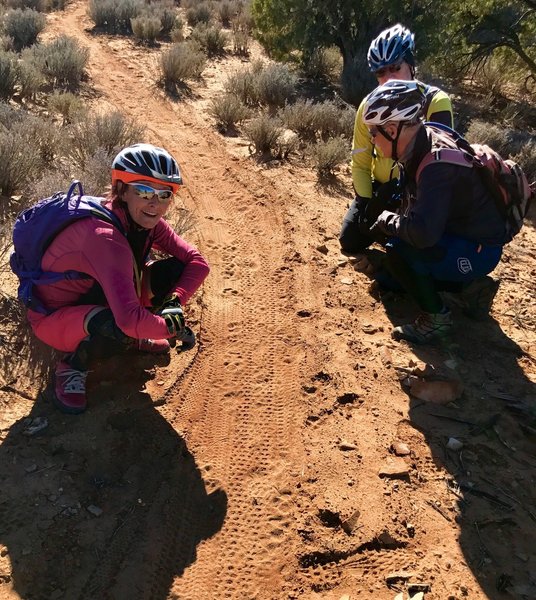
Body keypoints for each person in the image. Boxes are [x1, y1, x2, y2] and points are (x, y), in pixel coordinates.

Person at [25, 143, 210, 413]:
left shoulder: (146, 223)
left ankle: (137, 337)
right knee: (119, 327)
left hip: (97, 295)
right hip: (55, 319)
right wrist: (171, 328)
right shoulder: (105, 237)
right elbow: (128, 319)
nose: (154, 203)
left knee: (174, 271)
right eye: (144, 191)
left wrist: (174, 302)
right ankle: (72, 366)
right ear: (122, 190)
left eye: (164, 194)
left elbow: (197, 263)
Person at [363, 80, 504, 344]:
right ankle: (470, 289)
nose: (372, 139)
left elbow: (423, 234)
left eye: (374, 132)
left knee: (397, 251)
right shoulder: (420, 140)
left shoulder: (436, 164)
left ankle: (437, 320)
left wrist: (386, 220)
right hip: (462, 235)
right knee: (392, 274)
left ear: (392, 129)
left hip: (479, 250)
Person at [340, 23, 454, 256]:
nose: (389, 78)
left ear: (411, 65)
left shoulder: (435, 102)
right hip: (382, 188)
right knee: (350, 239)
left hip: (419, 192)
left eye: (395, 67)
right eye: (381, 72)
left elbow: (439, 167)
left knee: (408, 251)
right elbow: (360, 162)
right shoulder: (368, 108)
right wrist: (366, 203)